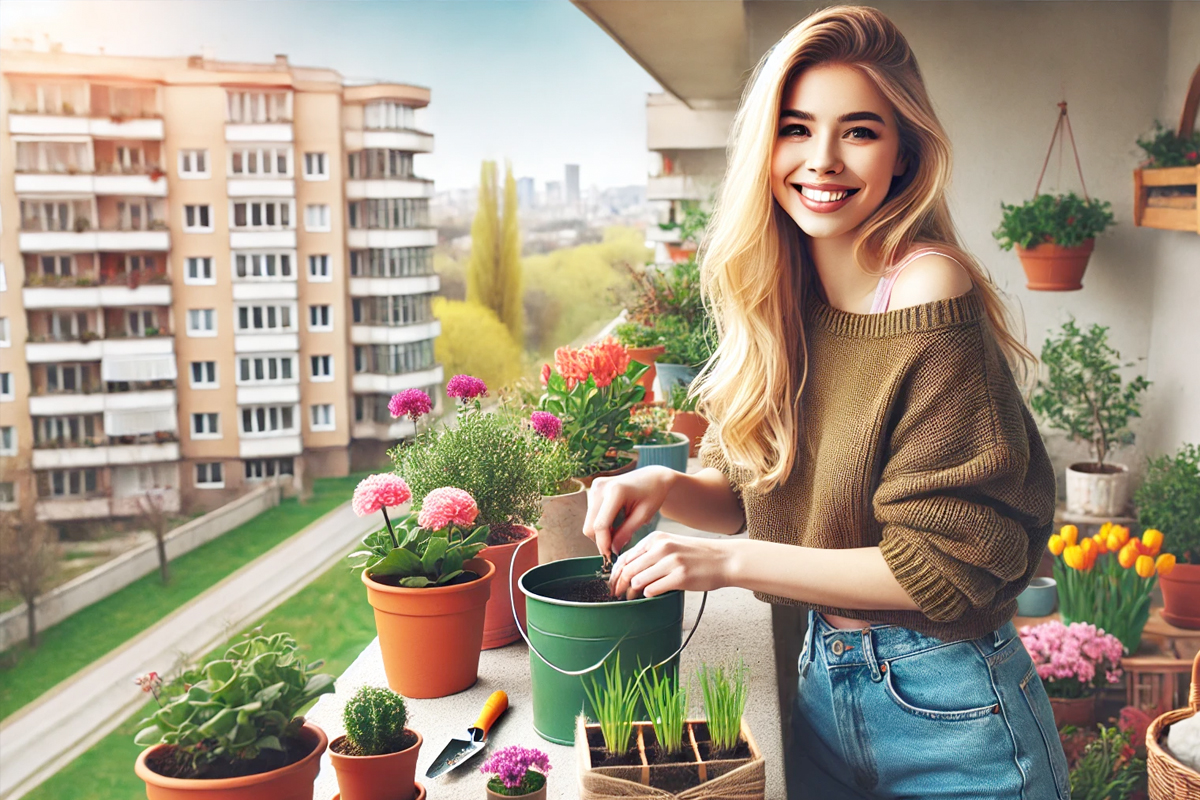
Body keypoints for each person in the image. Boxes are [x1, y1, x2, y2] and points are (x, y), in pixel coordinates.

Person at [582, 6, 1070, 800]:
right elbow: (762, 501)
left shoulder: (923, 286)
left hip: (951, 711)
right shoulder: (784, 298)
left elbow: (944, 569)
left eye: (861, 131)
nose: (824, 160)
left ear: (904, 152)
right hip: (824, 688)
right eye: (798, 128)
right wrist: (666, 488)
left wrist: (722, 564)